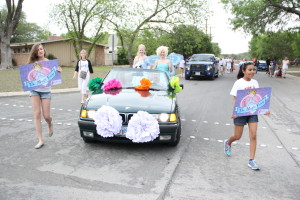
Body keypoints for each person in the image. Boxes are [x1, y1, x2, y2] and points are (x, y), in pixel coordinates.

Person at [224, 62, 270, 170]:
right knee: (237, 136)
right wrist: (235, 112)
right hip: (241, 112)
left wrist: (265, 110)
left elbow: (259, 98)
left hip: (252, 112)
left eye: (253, 69)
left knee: (253, 135)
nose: (252, 72)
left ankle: (251, 160)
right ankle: (228, 142)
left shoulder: (255, 82)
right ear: (243, 71)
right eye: (249, 70)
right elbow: (235, 99)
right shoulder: (238, 83)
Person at [27, 43, 62, 149]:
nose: (40, 51)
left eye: (41, 49)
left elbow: (57, 73)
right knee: (37, 114)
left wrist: (59, 71)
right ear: (35, 52)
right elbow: (27, 76)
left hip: (46, 91)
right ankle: (40, 140)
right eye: (38, 50)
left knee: (46, 116)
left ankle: (50, 124)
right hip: (34, 91)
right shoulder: (32, 63)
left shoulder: (49, 62)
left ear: (44, 50)